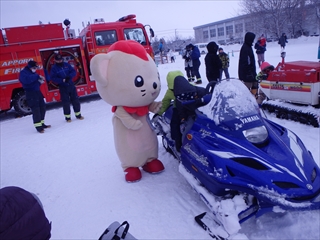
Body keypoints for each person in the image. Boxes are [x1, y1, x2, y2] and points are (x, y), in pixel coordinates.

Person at [173, 76, 211, 151]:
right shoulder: (179, 99)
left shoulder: (201, 92)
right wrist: (183, 119)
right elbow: (181, 110)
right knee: (187, 131)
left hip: (207, 115)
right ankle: (185, 149)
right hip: (192, 115)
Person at [155, 70, 185, 152]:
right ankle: (178, 143)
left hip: (185, 109)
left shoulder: (171, 91)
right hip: (181, 109)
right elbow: (165, 103)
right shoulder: (171, 92)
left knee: (175, 125)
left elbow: (165, 103)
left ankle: (177, 140)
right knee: (175, 124)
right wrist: (159, 113)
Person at [19, 60, 51, 133]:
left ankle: (42, 123)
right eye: (34, 67)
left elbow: (34, 82)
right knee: (36, 109)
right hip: (30, 93)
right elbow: (26, 80)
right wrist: (37, 76)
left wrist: (40, 82)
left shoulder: (32, 72)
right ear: (30, 67)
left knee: (42, 107)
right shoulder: (23, 73)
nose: (35, 69)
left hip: (37, 92)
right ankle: (38, 127)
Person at [50, 54, 84, 122]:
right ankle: (68, 117)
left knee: (75, 100)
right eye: (58, 60)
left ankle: (78, 115)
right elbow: (53, 78)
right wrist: (62, 80)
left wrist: (69, 76)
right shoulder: (54, 68)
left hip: (71, 85)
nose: (60, 61)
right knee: (66, 102)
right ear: (55, 60)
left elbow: (73, 71)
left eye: (61, 60)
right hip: (63, 87)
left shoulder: (66, 65)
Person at [238, 32, 258, 97]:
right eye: (252, 39)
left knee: (255, 87)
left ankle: (255, 100)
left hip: (251, 73)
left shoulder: (248, 46)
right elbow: (245, 63)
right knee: (247, 92)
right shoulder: (245, 48)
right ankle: (249, 102)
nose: (253, 40)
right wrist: (249, 73)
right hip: (247, 75)